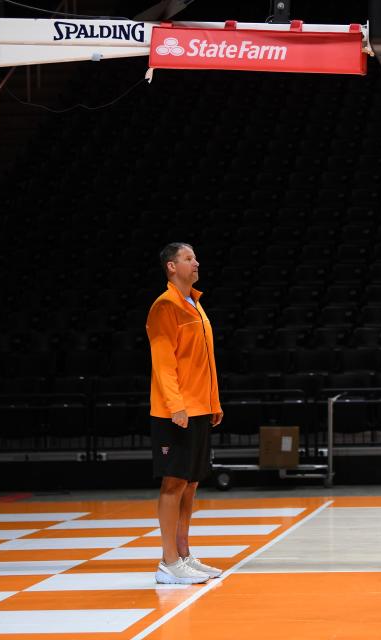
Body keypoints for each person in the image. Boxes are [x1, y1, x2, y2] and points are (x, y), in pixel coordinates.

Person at [147, 242, 224, 584]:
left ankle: (183, 554)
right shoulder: (166, 306)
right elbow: (164, 363)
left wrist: (214, 403)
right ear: (171, 267)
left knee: (191, 484)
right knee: (173, 483)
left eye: (195, 256)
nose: (196, 262)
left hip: (200, 408)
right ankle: (167, 562)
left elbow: (204, 363)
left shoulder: (195, 303)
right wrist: (176, 405)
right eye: (188, 258)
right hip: (175, 410)